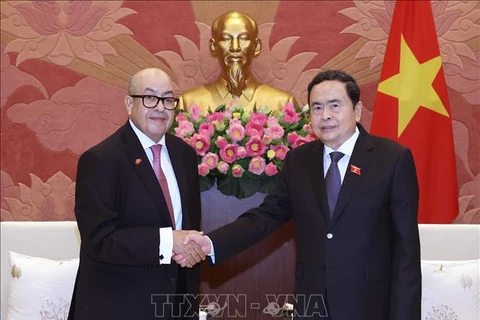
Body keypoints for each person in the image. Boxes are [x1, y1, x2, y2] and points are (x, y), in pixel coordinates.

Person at [180, 70, 422, 320]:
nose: (325, 115)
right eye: (316, 108)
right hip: (312, 305)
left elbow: (407, 252)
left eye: (335, 106)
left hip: (370, 304)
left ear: (357, 110)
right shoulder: (299, 161)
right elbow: (265, 216)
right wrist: (211, 243)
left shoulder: (391, 159)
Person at [68, 68, 206, 320]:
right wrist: (168, 241)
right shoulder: (101, 159)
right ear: (129, 104)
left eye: (168, 99)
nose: (160, 108)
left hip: (176, 304)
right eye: (150, 98)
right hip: (119, 306)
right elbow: (99, 239)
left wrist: (190, 250)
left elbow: (187, 226)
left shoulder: (183, 155)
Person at [178, 11, 297, 113]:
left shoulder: (283, 104)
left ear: (256, 47)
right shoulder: (188, 103)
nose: (235, 48)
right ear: (213, 47)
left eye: (244, 39)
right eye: (226, 39)